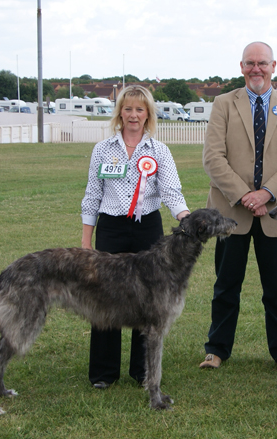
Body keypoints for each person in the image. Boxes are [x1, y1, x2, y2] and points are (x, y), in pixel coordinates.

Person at [200, 41, 277, 372]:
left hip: (275, 212)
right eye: (250, 63)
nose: (256, 69)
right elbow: (213, 158)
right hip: (231, 211)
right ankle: (216, 349)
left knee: (276, 287)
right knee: (225, 285)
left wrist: (266, 194)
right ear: (241, 66)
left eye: (262, 63)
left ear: (274, 66)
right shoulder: (223, 103)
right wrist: (245, 195)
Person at [81, 85, 190, 389]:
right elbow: (92, 196)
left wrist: (186, 217)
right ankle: (103, 373)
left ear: (148, 115)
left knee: (147, 302)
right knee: (105, 300)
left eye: (139, 110)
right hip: (111, 230)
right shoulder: (102, 150)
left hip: (147, 230)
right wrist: (86, 242)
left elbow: (171, 192)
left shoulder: (159, 152)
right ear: (119, 113)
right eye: (128, 109)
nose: (133, 115)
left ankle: (142, 371)